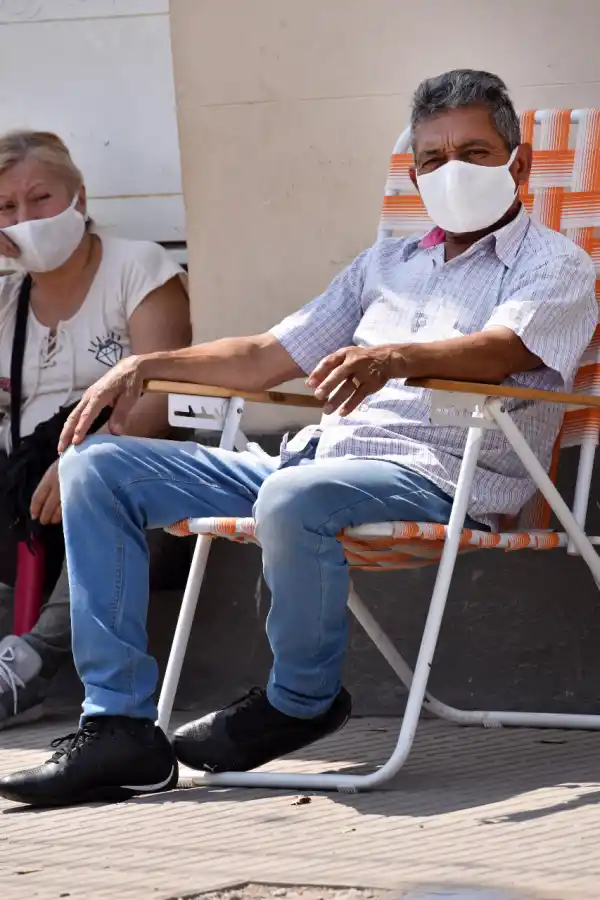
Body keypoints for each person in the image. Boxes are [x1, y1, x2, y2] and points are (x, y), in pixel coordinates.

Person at [0, 70, 595, 807]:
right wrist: (146, 365)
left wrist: (397, 360)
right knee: (99, 468)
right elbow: (263, 357)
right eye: (435, 159)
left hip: (446, 477)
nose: (454, 172)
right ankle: (118, 727)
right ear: (415, 173)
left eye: (474, 152)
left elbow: (506, 347)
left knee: (294, 492)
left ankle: (302, 699)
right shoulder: (387, 265)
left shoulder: (556, 264)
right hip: (311, 468)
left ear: (520, 163)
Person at [0, 130, 191, 731]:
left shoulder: (139, 266)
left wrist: (80, 461)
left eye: (40, 198)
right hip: (23, 489)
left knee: (103, 489)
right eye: (6, 208)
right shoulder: (7, 295)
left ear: (79, 197)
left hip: (131, 472)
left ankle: (27, 663)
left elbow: (160, 398)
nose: (25, 218)